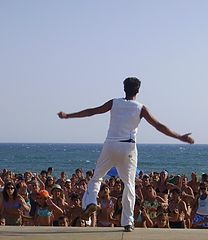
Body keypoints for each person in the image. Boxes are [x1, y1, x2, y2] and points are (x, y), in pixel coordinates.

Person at [58, 77, 194, 232]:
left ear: (124, 88)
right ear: (138, 90)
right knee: (129, 184)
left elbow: (92, 112)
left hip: (110, 144)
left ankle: (90, 202)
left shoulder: (114, 102)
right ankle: (128, 222)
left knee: (97, 178)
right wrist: (180, 137)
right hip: (128, 146)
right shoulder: (141, 108)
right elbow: (158, 126)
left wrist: (68, 115)